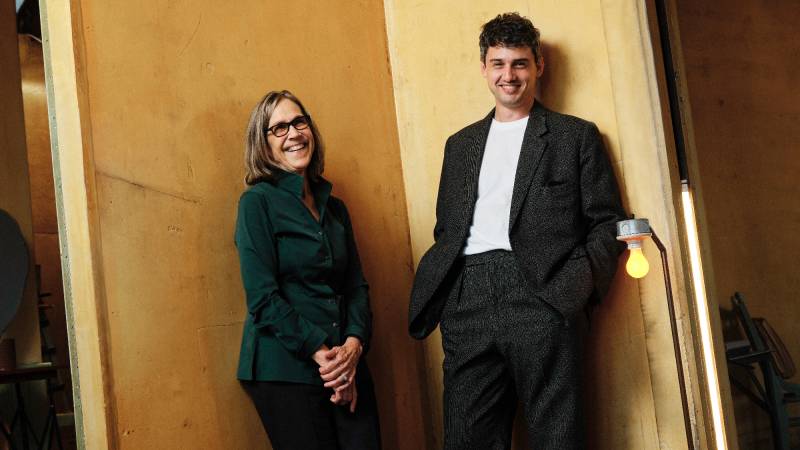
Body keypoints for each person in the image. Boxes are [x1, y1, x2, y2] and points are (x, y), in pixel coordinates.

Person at [408, 13, 627, 449]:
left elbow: (606, 223)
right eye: (499, 64)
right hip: (467, 299)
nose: (509, 75)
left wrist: (568, 292)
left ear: (539, 66)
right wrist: (454, 296)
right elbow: (447, 229)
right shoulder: (460, 145)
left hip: (542, 294)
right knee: (467, 438)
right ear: (484, 68)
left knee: (556, 437)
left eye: (520, 63)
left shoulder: (574, 137)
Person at [235, 90, 381, 450]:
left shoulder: (336, 209)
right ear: (263, 144)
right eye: (279, 128)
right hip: (285, 370)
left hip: (345, 361)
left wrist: (352, 348)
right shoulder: (257, 203)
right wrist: (324, 356)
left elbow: (356, 286)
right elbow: (262, 298)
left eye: (299, 122)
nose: (294, 134)